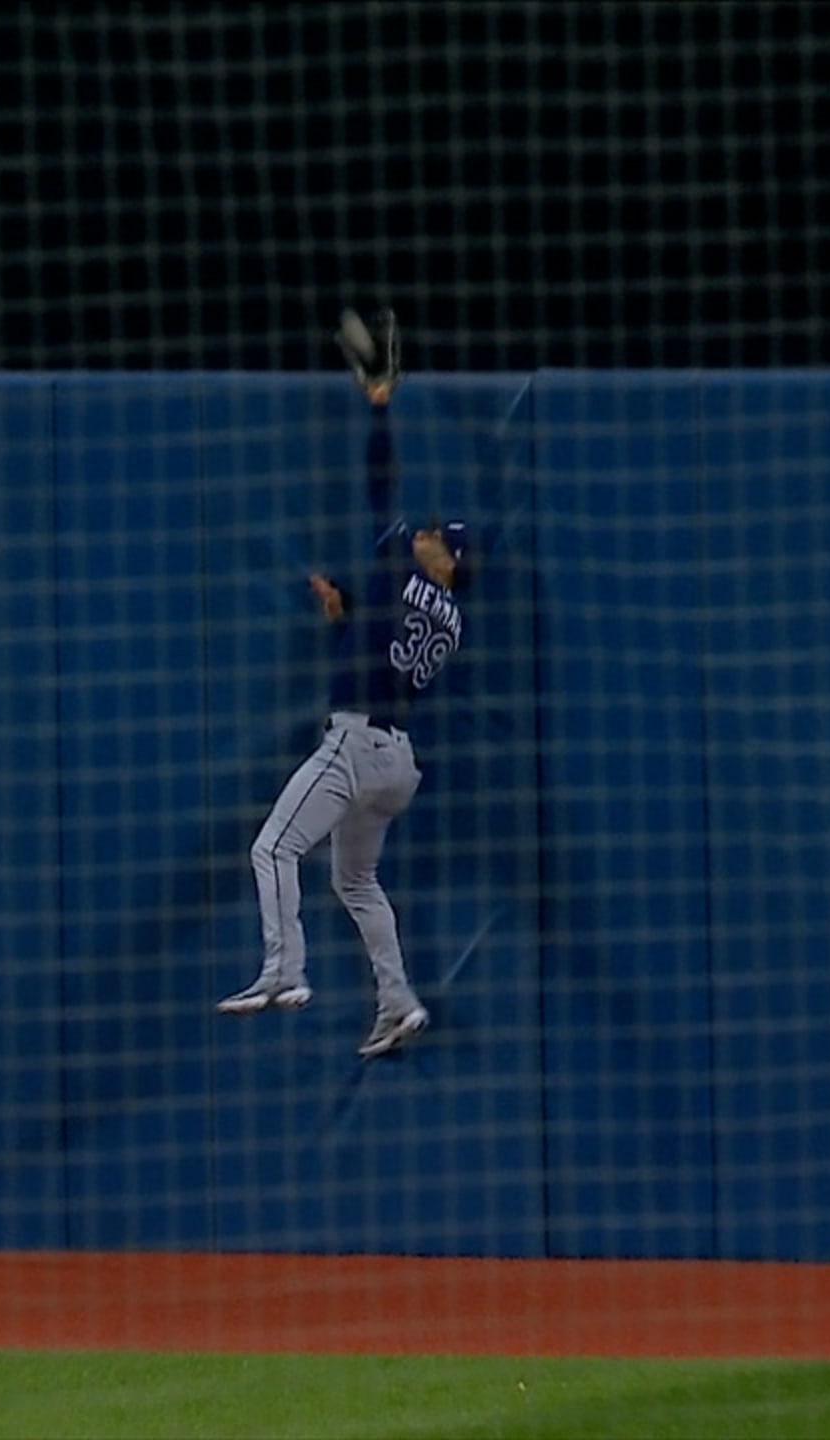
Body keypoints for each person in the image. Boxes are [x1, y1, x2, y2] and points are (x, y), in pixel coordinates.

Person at [218, 305, 474, 1059]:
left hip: (357, 745)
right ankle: (397, 1003)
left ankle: (282, 972)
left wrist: (381, 409)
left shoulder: (409, 569)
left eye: (436, 539)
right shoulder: (451, 618)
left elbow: (380, 490)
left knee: (272, 851)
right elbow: (387, 646)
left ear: (449, 562)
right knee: (357, 884)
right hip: (396, 763)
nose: (422, 536)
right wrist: (347, 612)